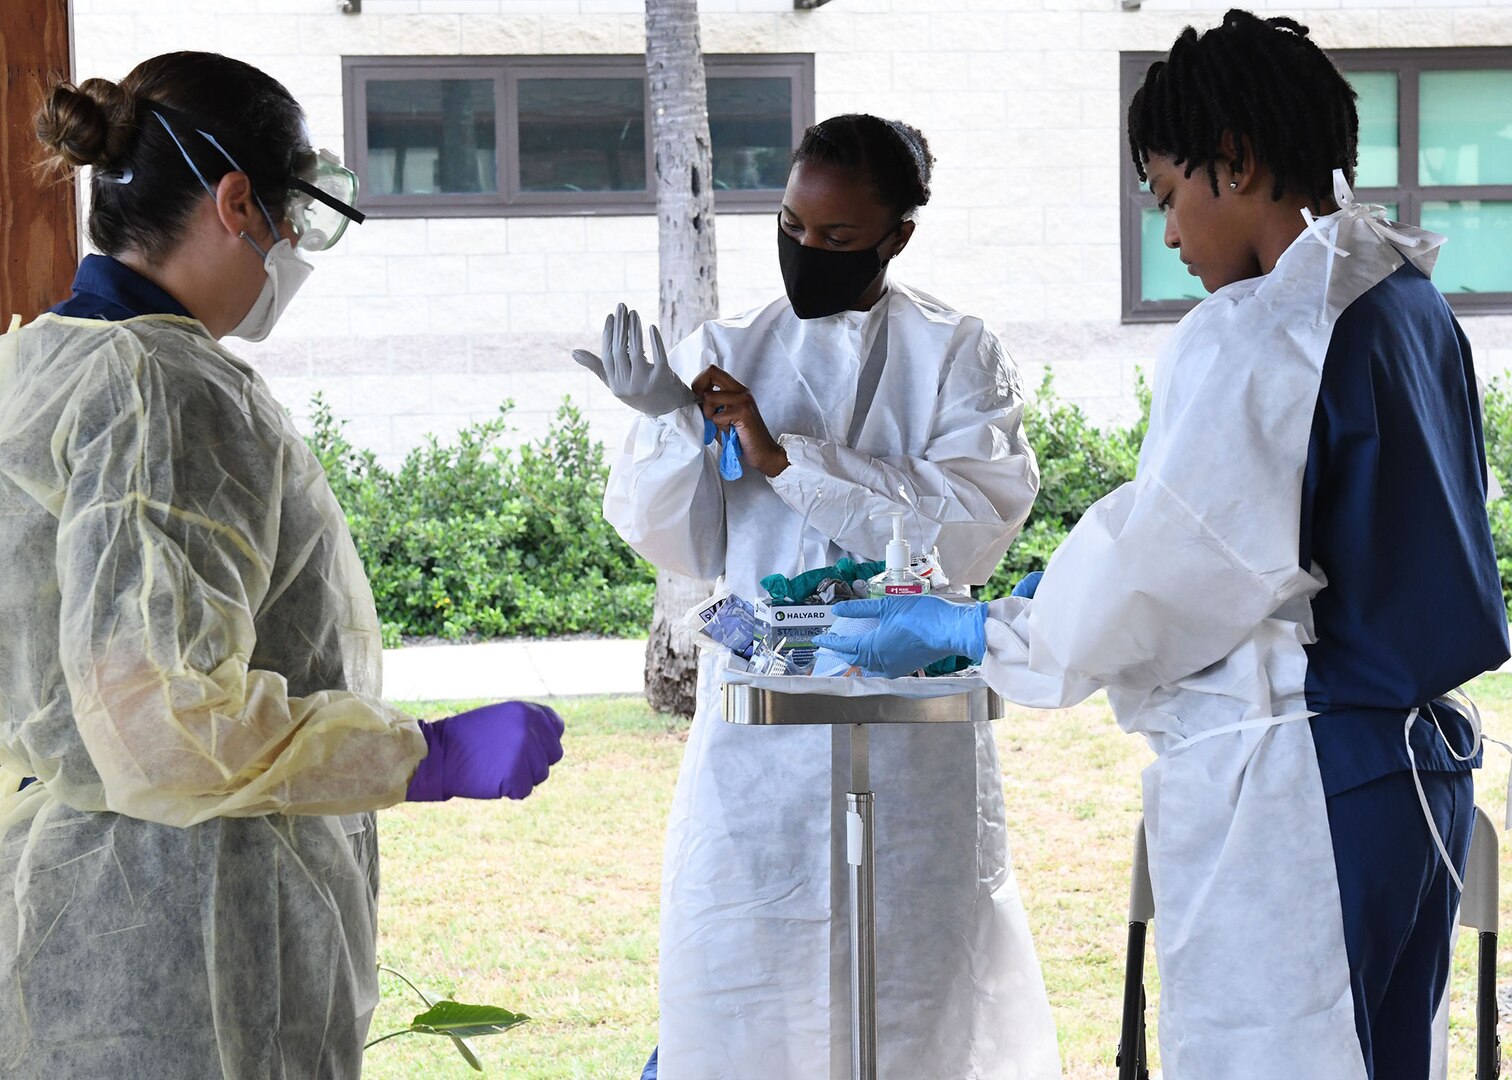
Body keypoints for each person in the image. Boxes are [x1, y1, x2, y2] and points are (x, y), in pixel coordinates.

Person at [817, 13, 1509, 1080]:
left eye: (1165, 193)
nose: (1171, 235)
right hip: (1407, 778)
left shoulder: (1268, 327)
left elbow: (1163, 572)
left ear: (1234, 161)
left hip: (1301, 780)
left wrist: (981, 628)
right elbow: (1293, 533)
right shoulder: (1405, 301)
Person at [0, 52, 564, 1079]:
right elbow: (161, 717)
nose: (290, 253)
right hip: (187, 934)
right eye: (291, 221)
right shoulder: (164, 389)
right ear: (235, 201)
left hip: (66, 915)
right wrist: (420, 756)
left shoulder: (32, 365)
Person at [573, 114, 1061, 1080]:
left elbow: (968, 524)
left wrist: (784, 456)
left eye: (837, 239)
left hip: (913, 729)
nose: (808, 252)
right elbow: (685, 541)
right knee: (753, 977)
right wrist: (671, 426)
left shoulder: (960, 355)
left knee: (916, 978)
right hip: (762, 746)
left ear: (897, 235)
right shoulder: (730, 346)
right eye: (793, 227)